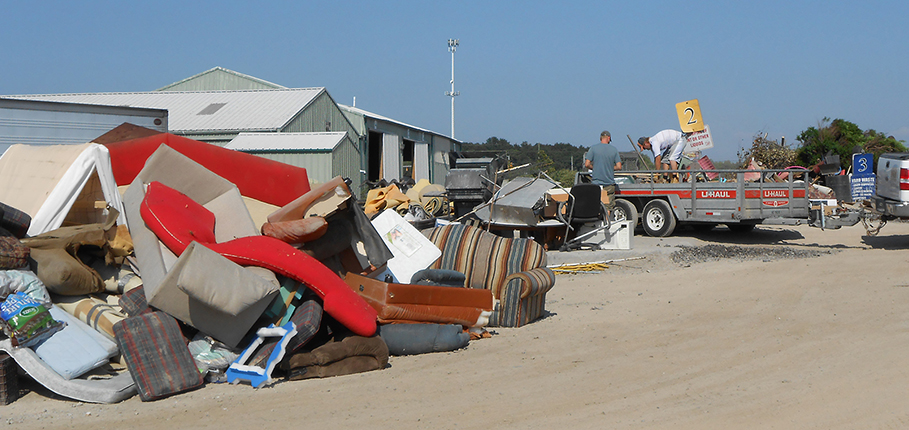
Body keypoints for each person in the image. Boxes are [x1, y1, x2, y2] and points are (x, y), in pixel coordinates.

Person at [584, 130, 622, 213]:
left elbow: (587, 164)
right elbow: (619, 166)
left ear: (601, 138)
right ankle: (606, 224)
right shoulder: (614, 149)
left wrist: (594, 167)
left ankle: (595, 224)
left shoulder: (593, 148)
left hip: (596, 184)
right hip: (608, 184)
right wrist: (610, 168)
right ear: (608, 138)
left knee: (594, 205)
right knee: (608, 206)